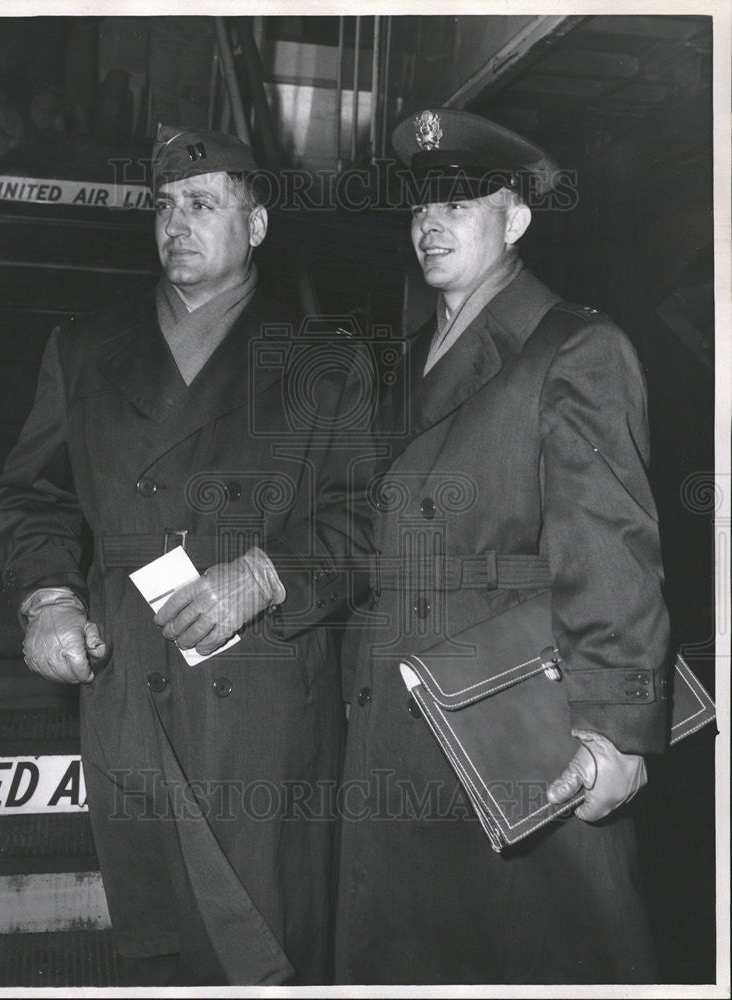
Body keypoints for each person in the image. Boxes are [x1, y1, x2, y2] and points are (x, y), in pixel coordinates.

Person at [0, 125, 372, 986]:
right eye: (163, 205)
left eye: (202, 204)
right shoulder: (84, 346)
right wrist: (48, 596)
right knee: (154, 943)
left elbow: (367, 519)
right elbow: (32, 493)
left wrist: (266, 573)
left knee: (264, 944)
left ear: (259, 226)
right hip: (123, 680)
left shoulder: (325, 359)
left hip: (263, 701)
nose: (176, 223)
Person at [331, 109, 672, 984]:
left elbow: (611, 553)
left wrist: (617, 735)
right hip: (399, 724)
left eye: (458, 201)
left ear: (515, 219)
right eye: (419, 207)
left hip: (515, 732)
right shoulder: (406, 359)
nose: (430, 224)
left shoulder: (575, 347)